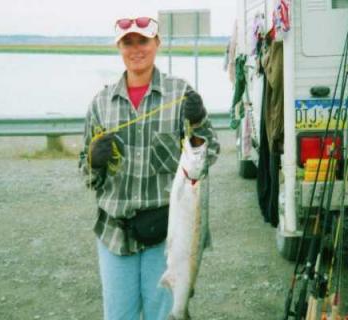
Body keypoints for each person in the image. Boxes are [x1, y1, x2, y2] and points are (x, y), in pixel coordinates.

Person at [78, 15, 220, 320]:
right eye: (128, 42)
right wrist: (94, 161)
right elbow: (86, 175)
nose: (136, 49)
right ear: (119, 46)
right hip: (114, 235)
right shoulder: (101, 103)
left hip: (166, 237)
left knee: (164, 313)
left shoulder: (181, 93)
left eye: (143, 40)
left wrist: (198, 121)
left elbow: (210, 152)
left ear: (157, 43)